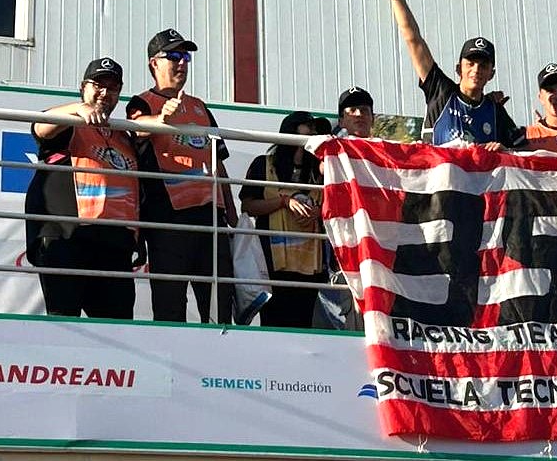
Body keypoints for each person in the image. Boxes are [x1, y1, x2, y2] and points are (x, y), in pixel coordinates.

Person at [126, 29, 236, 323]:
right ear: (154, 64)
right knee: (169, 302)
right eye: (173, 56)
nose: (182, 63)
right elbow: (136, 128)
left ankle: (218, 363)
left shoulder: (200, 106)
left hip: (211, 216)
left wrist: (232, 214)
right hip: (168, 216)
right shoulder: (142, 102)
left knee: (218, 304)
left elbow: (218, 160)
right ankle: (172, 365)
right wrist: (163, 119)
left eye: (185, 56)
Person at [25, 57, 141, 318]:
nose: (104, 93)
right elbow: (41, 127)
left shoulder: (123, 135)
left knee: (118, 327)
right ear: (83, 87)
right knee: (65, 320)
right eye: (98, 85)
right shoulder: (70, 123)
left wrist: (137, 239)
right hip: (67, 236)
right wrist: (78, 110)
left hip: (113, 244)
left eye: (113, 88)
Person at [379, 0, 525, 150]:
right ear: (459, 69)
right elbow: (413, 39)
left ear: (492, 73)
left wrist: (505, 151)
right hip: (439, 179)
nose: (476, 69)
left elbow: (525, 156)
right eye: (470, 63)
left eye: (483, 65)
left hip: (480, 181)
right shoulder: (441, 92)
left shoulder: (495, 111)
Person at [240, 111, 332, 327]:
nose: (313, 131)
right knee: (273, 323)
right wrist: (283, 202)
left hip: (310, 265)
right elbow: (248, 206)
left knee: (304, 325)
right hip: (273, 264)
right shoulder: (264, 164)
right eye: (308, 126)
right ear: (291, 129)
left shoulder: (318, 170)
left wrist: (318, 212)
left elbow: (333, 205)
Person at [312, 87, 377, 331]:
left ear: (373, 117)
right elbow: (322, 170)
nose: (359, 114)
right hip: (347, 239)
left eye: (364, 109)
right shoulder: (334, 147)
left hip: (379, 239)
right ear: (342, 120)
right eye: (351, 110)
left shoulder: (385, 149)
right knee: (346, 303)